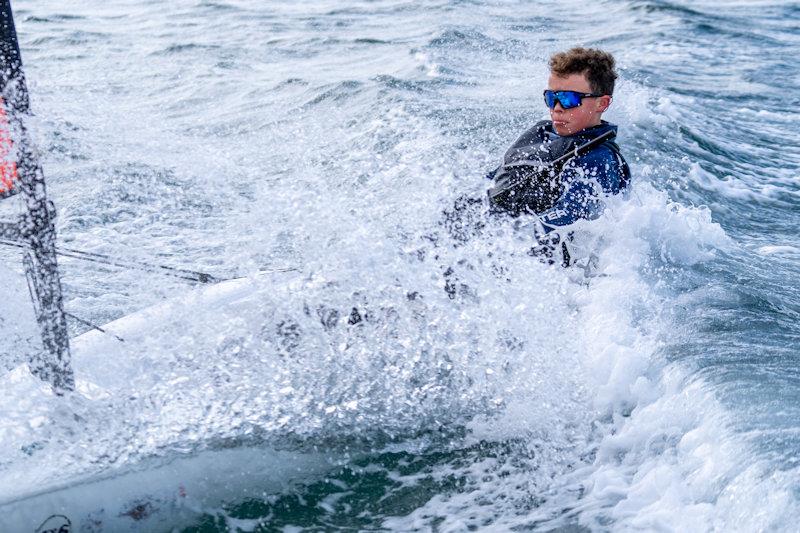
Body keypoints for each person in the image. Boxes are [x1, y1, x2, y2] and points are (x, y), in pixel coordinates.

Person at [486, 47, 630, 265]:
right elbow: (494, 182)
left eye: (569, 99)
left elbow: (568, 217)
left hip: (542, 265)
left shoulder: (599, 160)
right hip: (498, 235)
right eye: (551, 97)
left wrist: (503, 241)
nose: (557, 108)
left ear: (602, 103)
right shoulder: (539, 135)